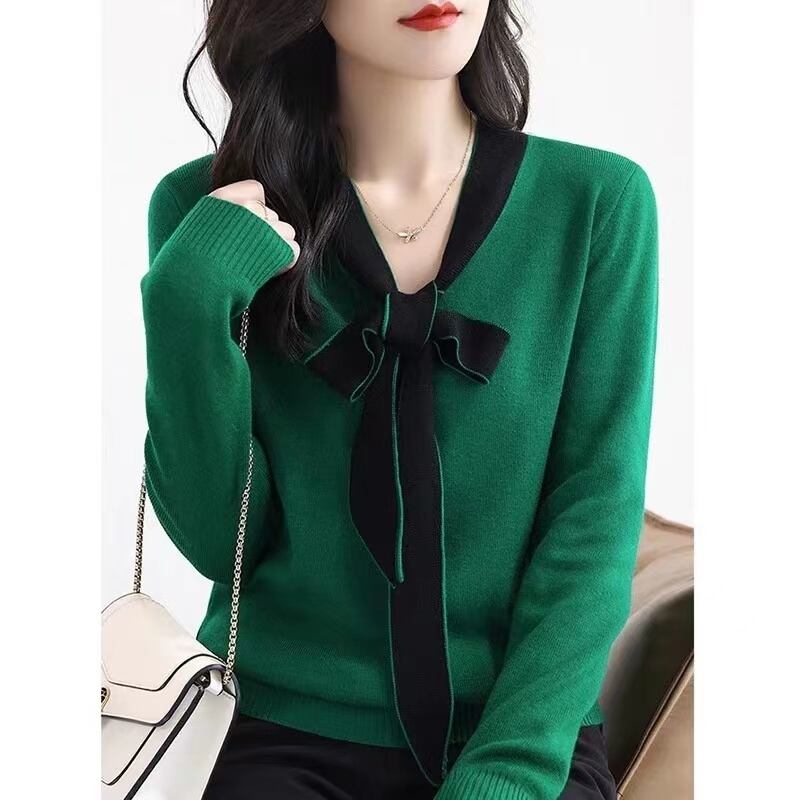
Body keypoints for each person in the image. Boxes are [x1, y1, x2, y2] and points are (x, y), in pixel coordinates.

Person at [139, 1, 659, 798]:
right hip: (280, 736)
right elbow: (220, 543)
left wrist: (508, 773)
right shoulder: (210, 210)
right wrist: (186, 305)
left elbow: (594, 519)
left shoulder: (595, 203)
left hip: (519, 736)